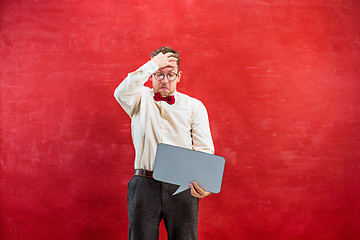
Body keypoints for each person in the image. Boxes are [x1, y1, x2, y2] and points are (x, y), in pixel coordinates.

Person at [114, 46, 215, 240]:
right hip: (144, 184)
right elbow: (120, 92)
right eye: (159, 74)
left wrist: (205, 185)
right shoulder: (138, 98)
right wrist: (152, 65)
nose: (165, 80)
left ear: (179, 76)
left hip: (182, 187)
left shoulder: (195, 106)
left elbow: (204, 151)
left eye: (170, 75)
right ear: (151, 75)